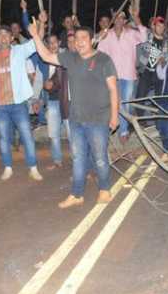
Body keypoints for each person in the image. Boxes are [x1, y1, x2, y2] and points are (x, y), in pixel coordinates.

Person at [29, 12, 119, 208]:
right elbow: (45, 56)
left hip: (98, 119)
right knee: (78, 158)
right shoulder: (70, 58)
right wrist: (36, 35)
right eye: (76, 39)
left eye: (83, 38)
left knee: (100, 157)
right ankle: (77, 194)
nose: (79, 42)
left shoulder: (104, 60)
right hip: (76, 119)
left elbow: (113, 89)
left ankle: (104, 189)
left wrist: (114, 116)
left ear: (92, 40)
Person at [0, 25, 43, 182]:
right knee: (4, 137)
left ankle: (33, 168)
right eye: (1, 35)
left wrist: (41, 24)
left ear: (12, 38)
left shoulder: (20, 51)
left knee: (27, 135)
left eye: (7, 35)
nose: (4, 38)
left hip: (18, 103)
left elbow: (36, 41)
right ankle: (7, 167)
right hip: (0, 106)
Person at [97, 7, 147, 142]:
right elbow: (100, 51)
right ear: (113, 20)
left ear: (125, 20)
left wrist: (136, 17)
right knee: (115, 102)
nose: (119, 20)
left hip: (129, 74)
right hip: (113, 75)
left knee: (126, 103)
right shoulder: (108, 35)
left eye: (122, 18)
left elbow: (144, 36)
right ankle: (120, 129)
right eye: (117, 17)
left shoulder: (131, 33)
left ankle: (123, 129)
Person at [43, 34, 70, 170]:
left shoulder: (66, 57)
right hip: (52, 101)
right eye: (49, 43)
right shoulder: (43, 60)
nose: (53, 45)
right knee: (53, 134)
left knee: (72, 133)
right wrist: (36, 99)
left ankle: (79, 161)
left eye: (55, 42)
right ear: (46, 45)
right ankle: (57, 160)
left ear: (59, 42)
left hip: (67, 100)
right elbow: (38, 80)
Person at [136, 16, 168, 101]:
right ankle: (139, 113)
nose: (161, 28)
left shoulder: (166, 41)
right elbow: (138, 28)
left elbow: (167, 58)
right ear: (153, 26)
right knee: (140, 97)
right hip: (145, 70)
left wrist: (163, 61)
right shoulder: (147, 36)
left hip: (158, 72)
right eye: (158, 26)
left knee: (159, 97)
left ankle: (156, 112)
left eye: (162, 26)